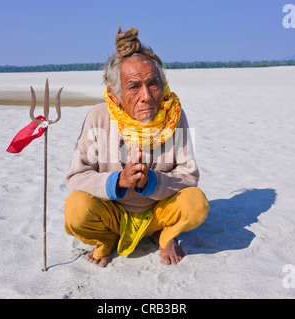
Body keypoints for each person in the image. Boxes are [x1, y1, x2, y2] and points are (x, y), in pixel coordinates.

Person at [64, 27, 209, 267]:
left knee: (196, 203)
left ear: (163, 85)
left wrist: (151, 181)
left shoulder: (174, 115)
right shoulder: (99, 116)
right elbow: (76, 177)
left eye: (153, 84)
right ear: (115, 94)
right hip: (112, 213)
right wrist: (119, 181)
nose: (146, 96)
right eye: (134, 86)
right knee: (76, 209)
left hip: (158, 213)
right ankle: (106, 239)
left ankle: (165, 236)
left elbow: (189, 175)